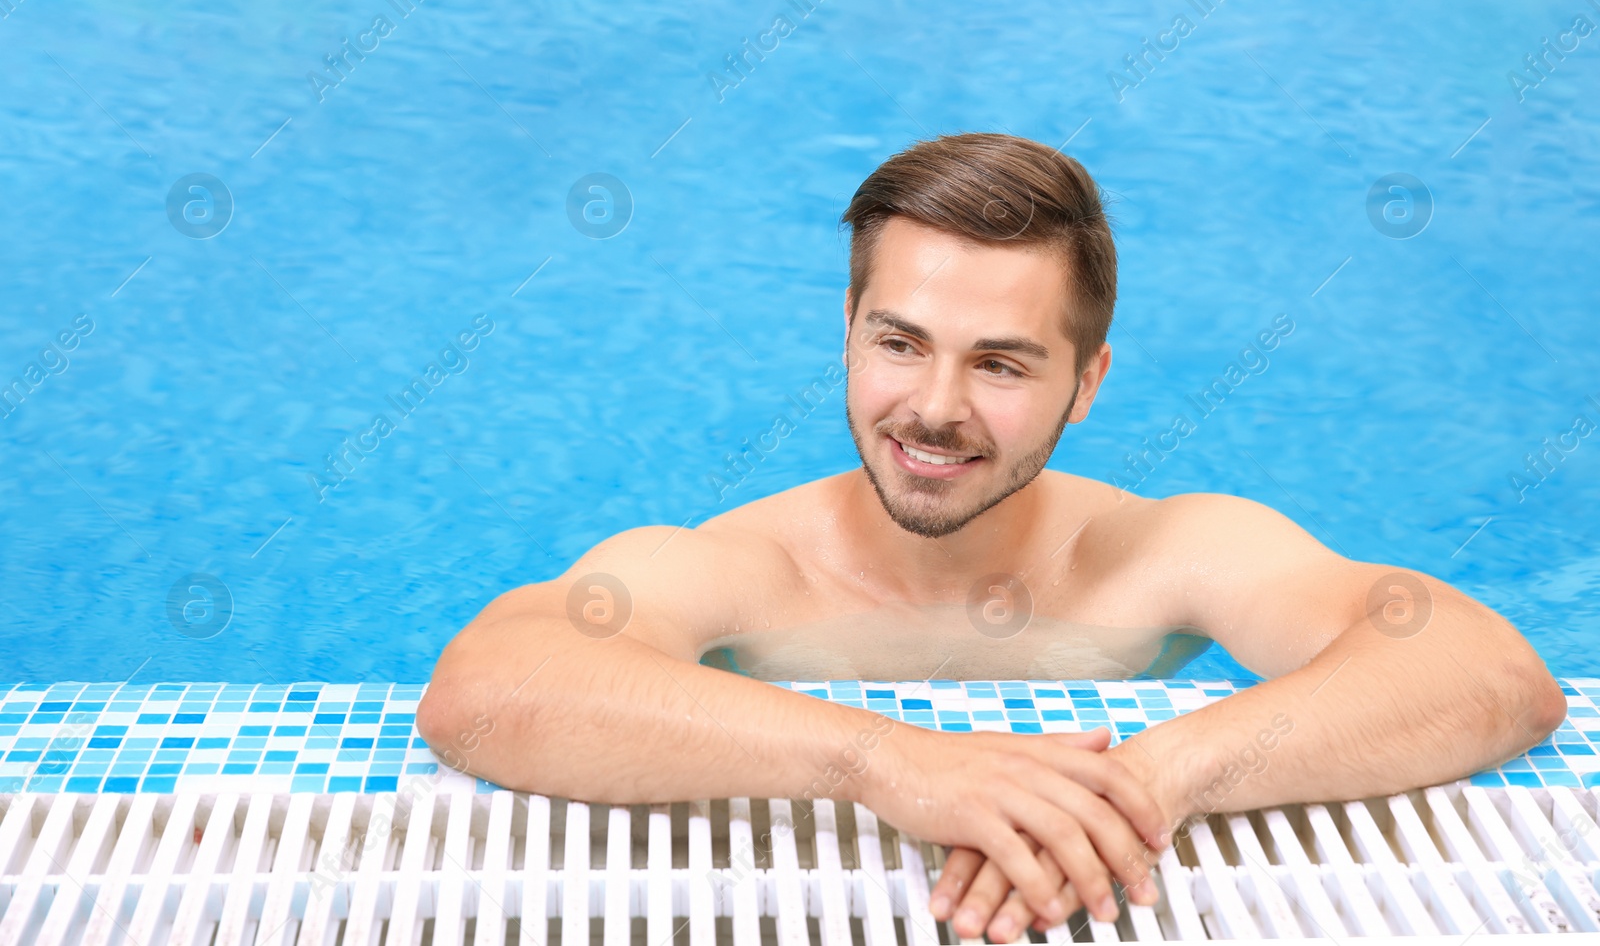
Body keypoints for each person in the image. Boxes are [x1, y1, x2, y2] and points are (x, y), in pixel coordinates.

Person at [419, 132, 1564, 942]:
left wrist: (1159, 778)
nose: (932, 408)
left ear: (1086, 383)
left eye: (1001, 364)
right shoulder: (741, 567)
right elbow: (486, 694)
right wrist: (880, 762)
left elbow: (1488, 672)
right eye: (899, 343)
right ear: (849, 334)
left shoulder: (1164, 553)